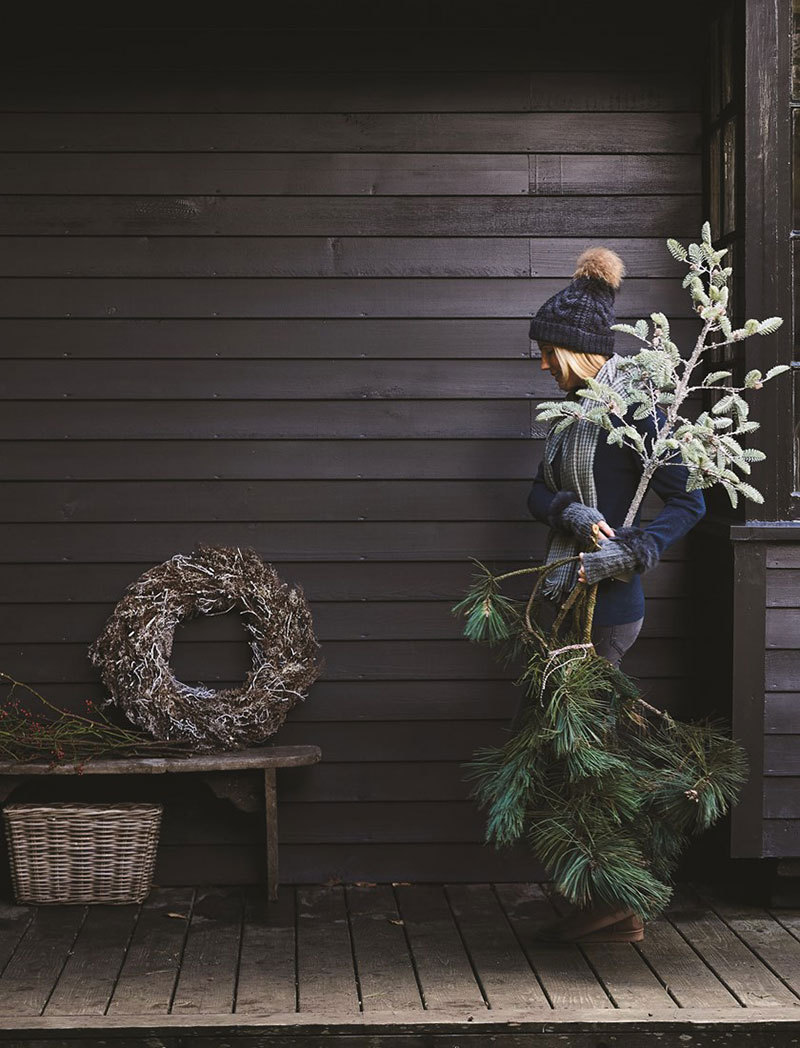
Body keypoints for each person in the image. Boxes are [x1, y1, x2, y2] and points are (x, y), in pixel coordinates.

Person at [522, 246, 707, 943]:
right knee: (574, 751)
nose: (542, 364)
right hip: (564, 596)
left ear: (577, 349)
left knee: (589, 753)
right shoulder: (567, 415)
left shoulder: (637, 413)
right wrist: (566, 512)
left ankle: (618, 900)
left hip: (610, 606)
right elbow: (536, 491)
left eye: (547, 352)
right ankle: (606, 897)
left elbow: (688, 500)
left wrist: (635, 549)